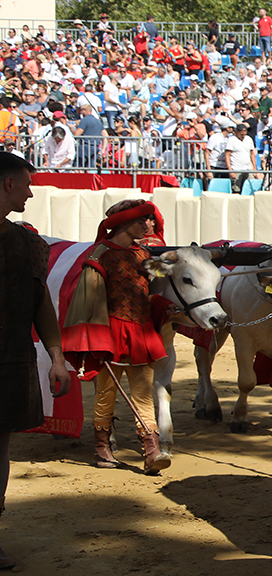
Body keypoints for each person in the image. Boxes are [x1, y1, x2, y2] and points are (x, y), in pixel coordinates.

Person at [0, 152, 75, 569]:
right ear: (8, 184)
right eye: (27, 183)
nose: (31, 190)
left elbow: (39, 301)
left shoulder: (28, 242)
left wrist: (57, 358)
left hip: (10, 363)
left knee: (0, 448)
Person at [62, 199, 172, 474]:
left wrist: (164, 305)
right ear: (124, 224)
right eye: (143, 221)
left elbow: (145, 296)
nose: (150, 225)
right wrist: (95, 340)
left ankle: (152, 451)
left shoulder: (144, 255)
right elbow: (89, 302)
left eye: (149, 220)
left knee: (143, 395)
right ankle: (102, 448)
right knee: (106, 395)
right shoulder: (100, 256)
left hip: (140, 333)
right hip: (108, 334)